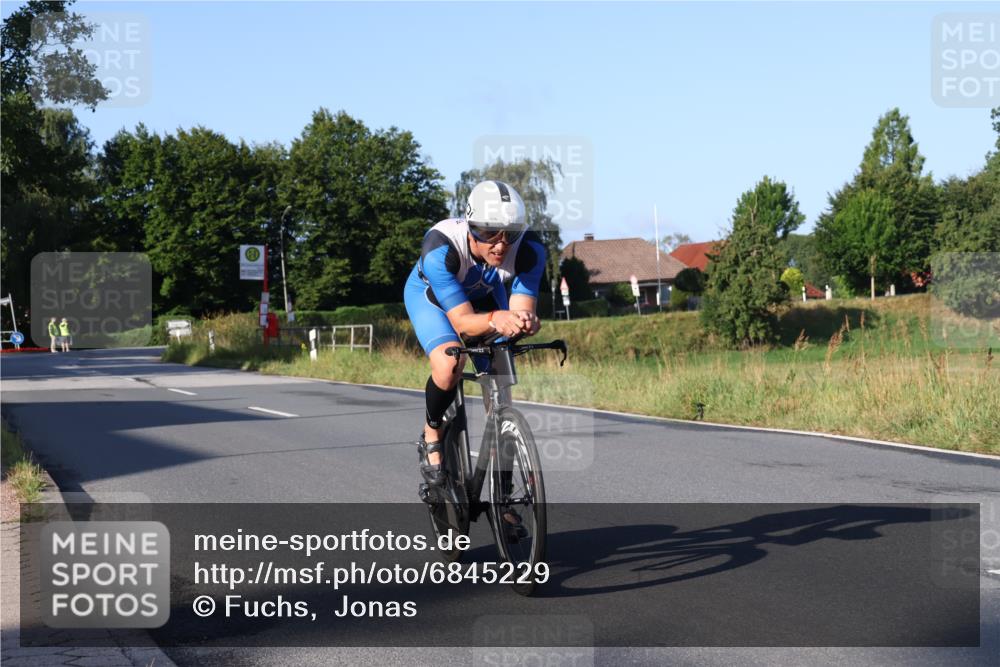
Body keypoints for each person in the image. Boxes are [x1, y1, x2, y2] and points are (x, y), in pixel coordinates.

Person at [404, 180, 546, 493]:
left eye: (510, 233)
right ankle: (431, 434)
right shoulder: (441, 247)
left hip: (483, 298)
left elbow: (519, 309)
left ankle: (503, 493)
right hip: (434, 301)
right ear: (471, 227)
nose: (500, 244)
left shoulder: (531, 249)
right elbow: (465, 325)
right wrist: (498, 319)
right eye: (489, 233)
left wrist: (523, 321)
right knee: (448, 363)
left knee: (500, 379)